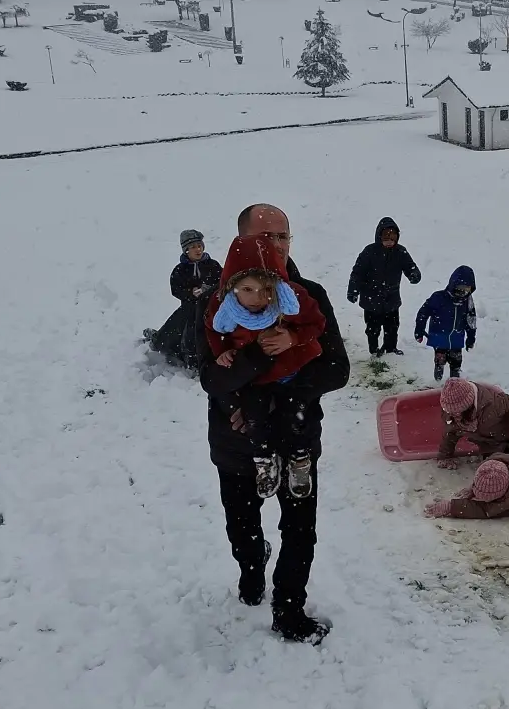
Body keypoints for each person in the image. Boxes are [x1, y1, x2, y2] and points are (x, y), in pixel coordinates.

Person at [197, 204, 349, 645]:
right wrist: (257, 359)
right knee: (242, 529)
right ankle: (250, 565)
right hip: (236, 441)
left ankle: (289, 609)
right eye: (267, 238)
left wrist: (287, 393)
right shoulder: (220, 301)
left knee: (300, 529)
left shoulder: (308, 295)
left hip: (297, 436)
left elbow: (336, 368)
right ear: (244, 243)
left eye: (284, 237)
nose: (277, 246)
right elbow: (211, 376)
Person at [205, 235, 327, 500]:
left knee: (296, 417)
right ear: (233, 286)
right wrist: (222, 351)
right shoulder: (222, 306)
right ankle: (264, 460)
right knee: (254, 420)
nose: (257, 298)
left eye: (266, 290)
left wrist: (293, 338)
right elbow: (214, 331)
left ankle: (299, 459)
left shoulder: (292, 298)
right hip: (253, 377)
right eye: (247, 290)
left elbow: (317, 324)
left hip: (290, 372)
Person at [145, 229, 222, 369]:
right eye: (193, 247)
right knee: (181, 334)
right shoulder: (180, 270)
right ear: (186, 250)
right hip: (189, 310)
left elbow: (223, 283)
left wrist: (209, 290)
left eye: (199, 246)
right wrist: (190, 293)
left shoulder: (213, 265)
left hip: (211, 309)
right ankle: (188, 359)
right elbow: (176, 289)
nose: (197, 249)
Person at [346, 217, 422, 357]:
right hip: (371, 300)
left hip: (391, 299)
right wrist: (353, 290)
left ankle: (391, 349)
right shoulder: (369, 252)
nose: (389, 243)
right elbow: (357, 272)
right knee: (372, 329)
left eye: (392, 240)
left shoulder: (400, 252)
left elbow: (410, 266)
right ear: (379, 237)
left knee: (392, 327)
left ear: (396, 239)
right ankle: (374, 350)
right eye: (386, 239)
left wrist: (414, 274)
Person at [435, 378, 509, 469]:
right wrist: (445, 456)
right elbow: (450, 433)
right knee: (500, 470)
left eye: (458, 411)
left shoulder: (491, 403)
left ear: (469, 403)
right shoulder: (450, 413)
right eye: (451, 411)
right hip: (491, 448)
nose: (454, 415)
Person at [415, 266, 477, 381]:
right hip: (440, 337)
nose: (463, 292)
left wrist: (471, 337)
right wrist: (419, 329)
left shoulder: (468, 301)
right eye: (460, 288)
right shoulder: (439, 297)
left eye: (467, 289)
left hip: (456, 339)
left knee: (456, 363)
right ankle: (438, 383)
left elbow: (471, 320)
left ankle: (455, 385)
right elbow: (423, 313)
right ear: (453, 284)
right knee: (440, 361)